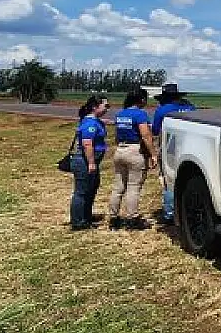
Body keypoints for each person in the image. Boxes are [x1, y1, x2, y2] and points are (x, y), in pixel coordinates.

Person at [107, 88, 157, 230]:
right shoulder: (140, 114)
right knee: (133, 187)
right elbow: (146, 136)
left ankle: (113, 218)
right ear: (141, 100)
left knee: (118, 187)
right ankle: (132, 218)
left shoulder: (120, 114)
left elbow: (117, 135)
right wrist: (153, 154)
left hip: (120, 150)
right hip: (135, 151)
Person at [151, 83, 194, 224]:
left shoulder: (163, 110)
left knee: (168, 179)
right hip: (191, 146)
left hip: (171, 146)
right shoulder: (190, 107)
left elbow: (155, 130)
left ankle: (170, 214)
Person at [70, 95, 109, 230]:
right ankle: (78, 221)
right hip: (84, 161)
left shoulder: (96, 121)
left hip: (91, 161)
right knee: (81, 192)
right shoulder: (90, 123)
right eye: (105, 106)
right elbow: (87, 144)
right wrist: (91, 163)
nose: (107, 109)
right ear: (95, 107)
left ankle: (86, 216)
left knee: (91, 189)